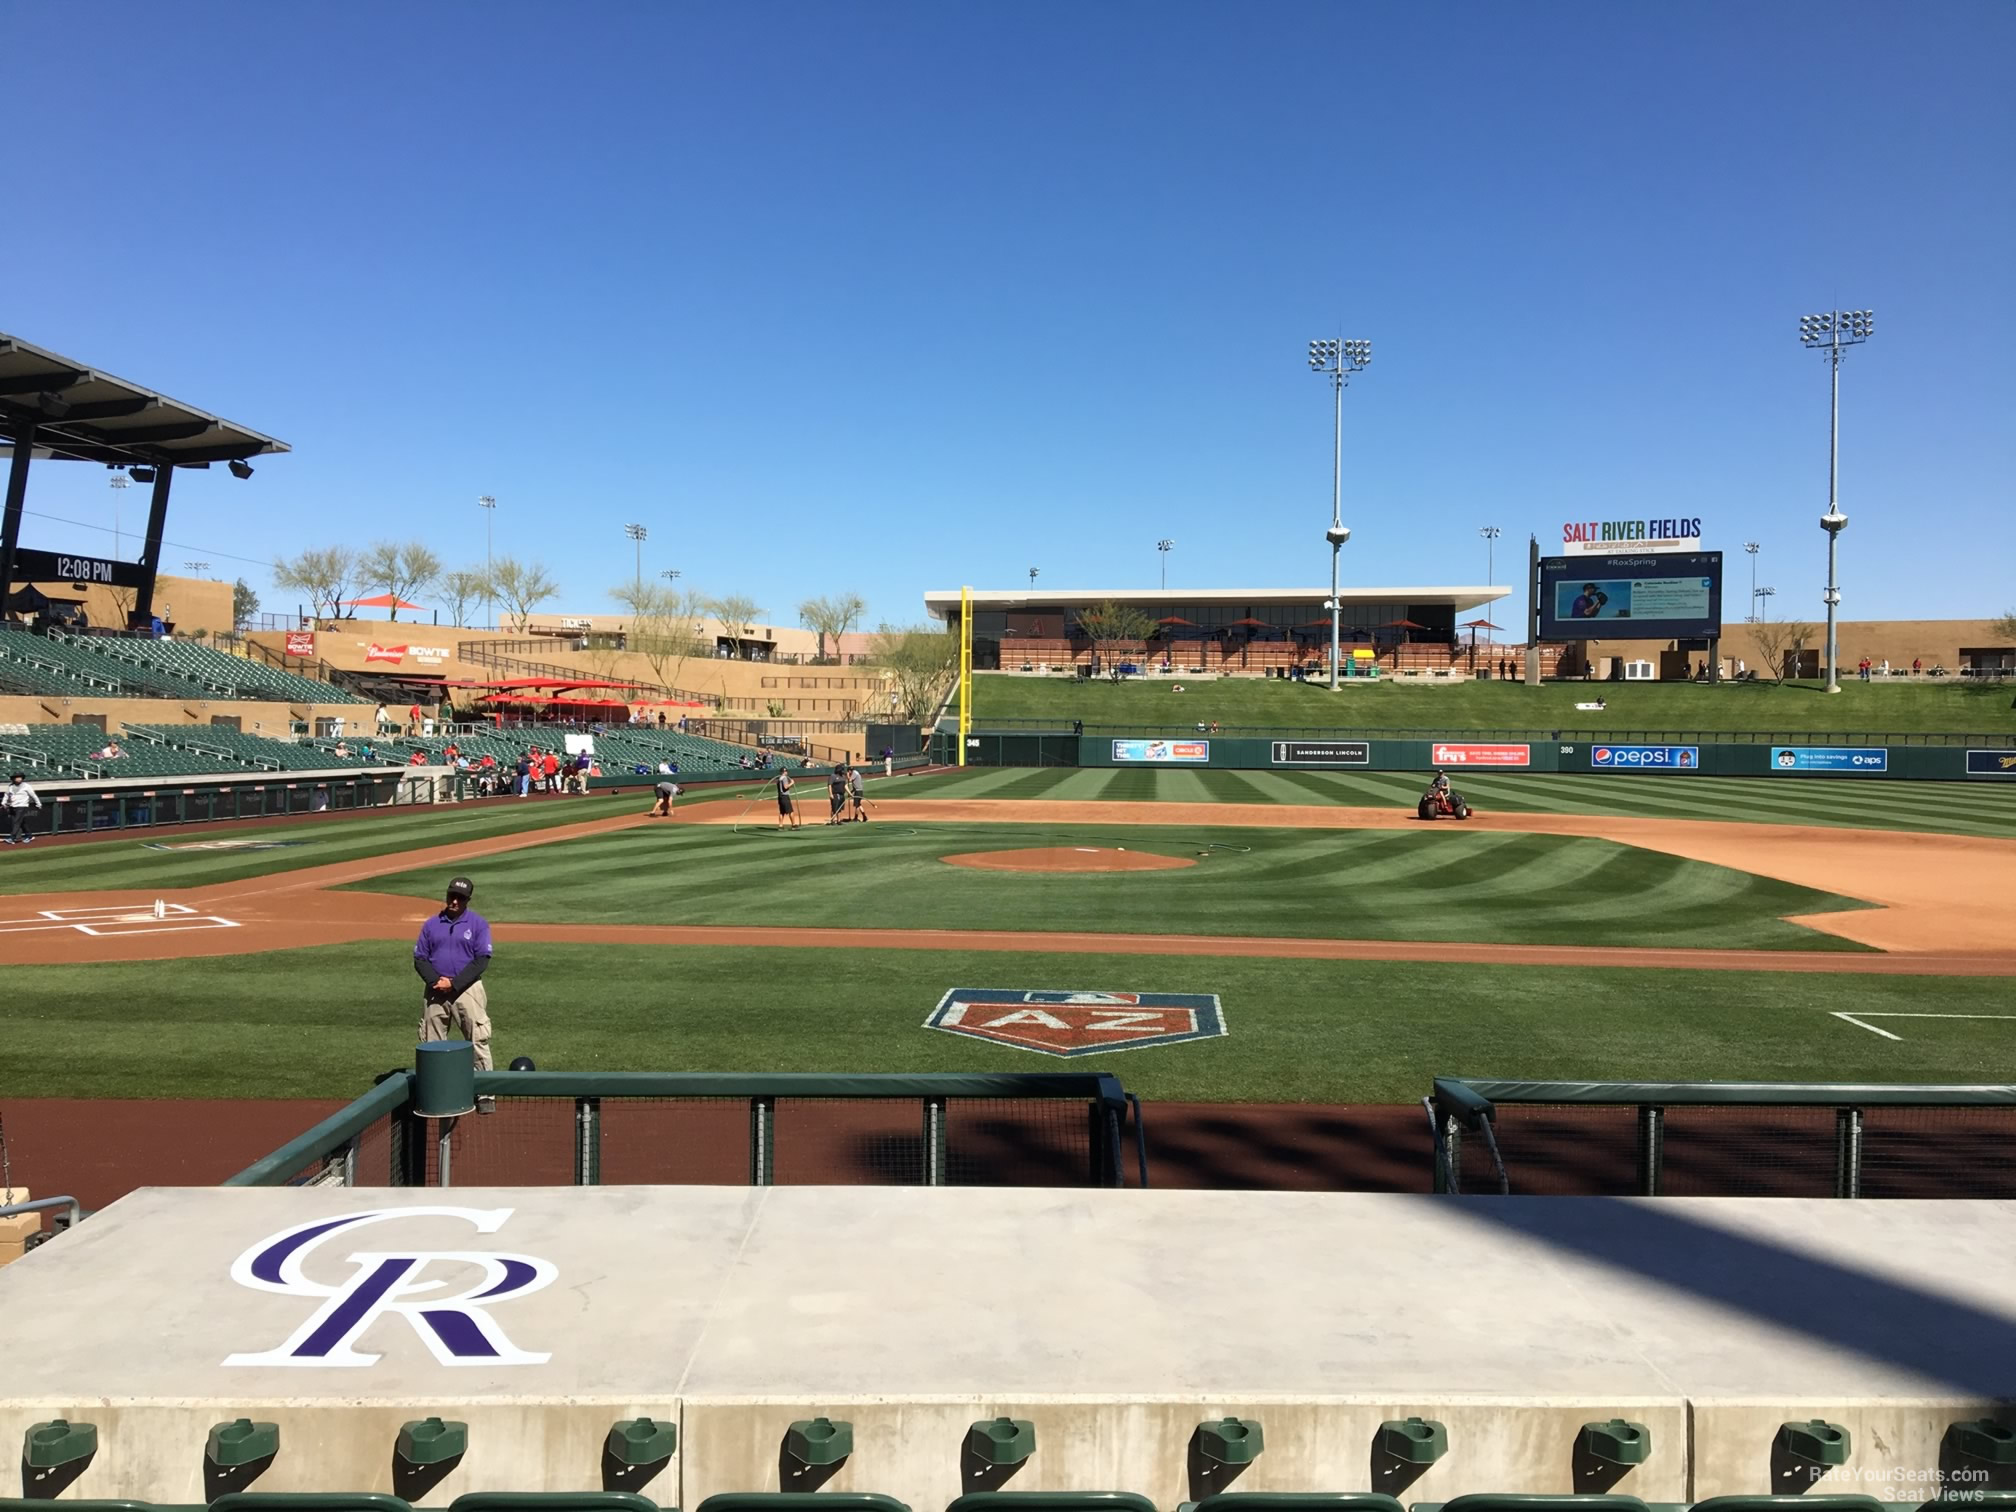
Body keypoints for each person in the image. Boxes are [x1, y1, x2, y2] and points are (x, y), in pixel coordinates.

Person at [413, 876, 496, 1106]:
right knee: (432, 1043)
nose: (455, 901)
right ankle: (435, 1092)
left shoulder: (478, 924)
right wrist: (435, 981)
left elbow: (481, 961)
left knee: (477, 1040)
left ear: (467, 900)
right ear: (447, 895)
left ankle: (485, 1093)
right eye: (452, 896)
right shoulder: (431, 925)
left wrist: (454, 983)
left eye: (460, 898)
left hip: (467, 990)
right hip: (435, 991)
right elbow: (419, 959)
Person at [3, 772, 42, 845]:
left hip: (22, 806)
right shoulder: (10, 786)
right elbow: (6, 795)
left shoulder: (26, 786)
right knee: (21, 822)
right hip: (13, 806)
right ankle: (29, 835)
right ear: (13, 779)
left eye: (19, 777)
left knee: (17, 822)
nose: (18, 779)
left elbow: (33, 795)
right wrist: (3, 802)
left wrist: (38, 803)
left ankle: (12, 838)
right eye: (16, 777)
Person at [775, 767, 800, 831]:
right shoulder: (784, 778)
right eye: (786, 771)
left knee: (782, 812)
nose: (786, 772)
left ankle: (780, 826)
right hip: (785, 796)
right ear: (784, 772)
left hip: (780, 796)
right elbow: (785, 787)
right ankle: (793, 825)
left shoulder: (779, 779)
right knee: (790, 811)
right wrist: (792, 783)